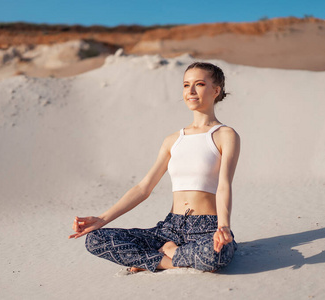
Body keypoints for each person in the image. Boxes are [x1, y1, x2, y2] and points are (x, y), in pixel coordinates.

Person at [68, 62, 241, 273]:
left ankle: (162, 256)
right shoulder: (173, 140)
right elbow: (144, 188)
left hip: (206, 228)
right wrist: (102, 219)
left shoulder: (225, 135)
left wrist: (223, 227)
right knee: (95, 239)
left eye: (200, 84)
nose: (191, 91)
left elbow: (224, 185)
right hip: (170, 228)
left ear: (216, 90)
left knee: (216, 254)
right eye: (186, 85)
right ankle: (169, 258)